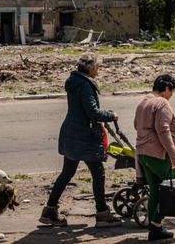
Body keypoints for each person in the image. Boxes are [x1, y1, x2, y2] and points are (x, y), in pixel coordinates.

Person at [39, 54, 122, 228]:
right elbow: (92, 112)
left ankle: (49, 210)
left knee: (67, 173)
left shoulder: (74, 81)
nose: (99, 71)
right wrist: (110, 115)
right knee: (98, 173)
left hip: (71, 132)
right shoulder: (85, 85)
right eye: (98, 67)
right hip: (84, 136)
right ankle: (102, 214)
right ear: (91, 68)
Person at [134, 73, 175, 241]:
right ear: (166, 88)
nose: (172, 95)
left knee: (155, 190)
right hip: (158, 154)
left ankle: (153, 229)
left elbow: (135, 125)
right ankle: (156, 224)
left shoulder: (144, 101)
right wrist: (174, 156)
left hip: (143, 154)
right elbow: (163, 130)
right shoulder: (162, 103)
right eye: (172, 91)